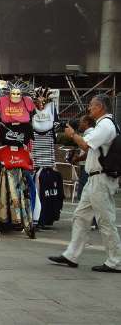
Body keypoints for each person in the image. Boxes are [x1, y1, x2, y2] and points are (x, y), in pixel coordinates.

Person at [49, 95, 121, 273]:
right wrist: (80, 157)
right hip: (95, 179)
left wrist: (72, 135)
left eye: (91, 106)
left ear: (100, 107)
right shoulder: (106, 125)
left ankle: (115, 261)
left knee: (106, 220)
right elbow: (97, 151)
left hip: (100, 180)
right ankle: (71, 255)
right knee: (81, 216)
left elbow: (87, 145)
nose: (89, 109)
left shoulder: (105, 125)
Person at [73, 115, 96, 201]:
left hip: (88, 168)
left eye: (81, 122)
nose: (79, 124)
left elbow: (89, 151)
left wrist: (77, 159)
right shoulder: (89, 133)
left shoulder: (90, 133)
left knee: (83, 196)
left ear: (86, 123)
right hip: (86, 167)